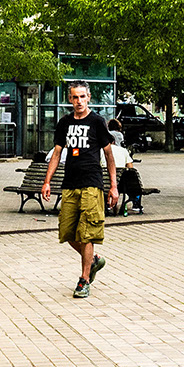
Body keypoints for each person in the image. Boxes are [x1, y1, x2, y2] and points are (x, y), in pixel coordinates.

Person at [39, 81, 117, 299]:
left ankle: (84, 280)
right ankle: (92, 261)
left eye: (82, 97)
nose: (79, 101)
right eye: (75, 97)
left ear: (89, 97)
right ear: (70, 99)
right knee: (67, 231)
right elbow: (56, 154)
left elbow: (109, 156)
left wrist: (113, 186)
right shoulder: (64, 123)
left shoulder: (97, 122)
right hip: (70, 184)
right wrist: (47, 181)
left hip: (92, 184)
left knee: (87, 233)